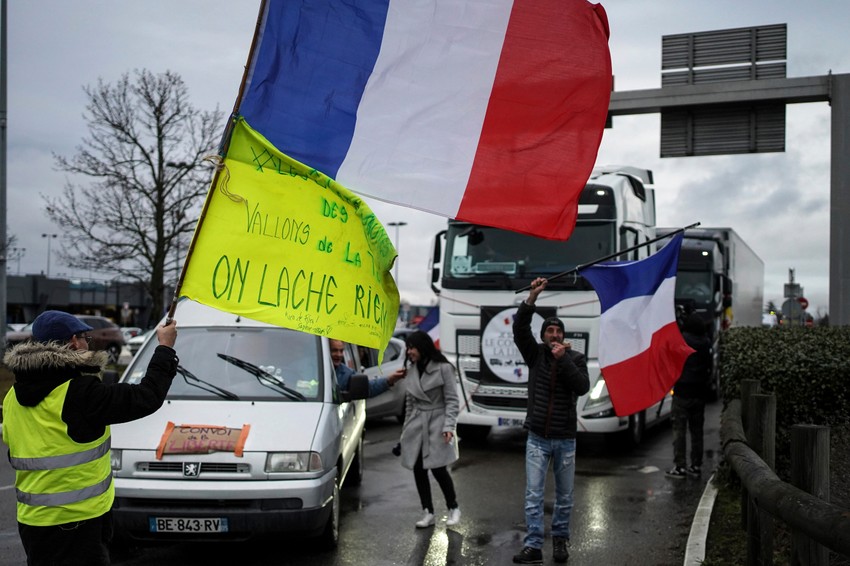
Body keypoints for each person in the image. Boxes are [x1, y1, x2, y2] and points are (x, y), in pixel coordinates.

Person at [2, 310, 178, 566]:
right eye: (85, 338)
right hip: (78, 523)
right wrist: (165, 348)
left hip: (33, 522)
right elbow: (146, 396)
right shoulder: (80, 393)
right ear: (74, 342)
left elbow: (15, 452)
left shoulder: (12, 397)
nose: (88, 343)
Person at [512, 277, 590, 565]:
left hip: (565, 439)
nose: (554, 335)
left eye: (558, 331)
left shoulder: (576, 359)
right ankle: (533, 546)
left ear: (563, 336)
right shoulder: (535, 356)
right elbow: (519, 329)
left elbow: (582, 387)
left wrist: (564, 359)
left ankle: (559, 542)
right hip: (537, 438)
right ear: (543, 335)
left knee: (564, 497)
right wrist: (532, 298)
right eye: (549, 331)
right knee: (533, 495)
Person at [388, 330, 461, 529]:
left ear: (423, 347)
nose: (409, 352)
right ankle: (428, 511)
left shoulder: (444, 368)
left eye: (412, 348)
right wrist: (405, 433)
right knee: (418, 469)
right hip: (417, 425)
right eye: (408, 348)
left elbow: (452, 400)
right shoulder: (411, 370)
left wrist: (449, 426)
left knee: (438, 469)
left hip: (438, 423)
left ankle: (453, 507)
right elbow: (410, 404)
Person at [666, 313, 712, 479]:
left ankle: (680, 466)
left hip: (682, 392)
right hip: (699, 393)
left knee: (679, 431)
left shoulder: (681, 340)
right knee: (697, 431)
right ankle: (696, 465)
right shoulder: (706, 343)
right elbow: (710, 367)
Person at [329, 338, 404, 396]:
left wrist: (389, 380)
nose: (339, 355)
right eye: (334, 350)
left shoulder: (346, 373)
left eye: (341, 351)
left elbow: (367, 387)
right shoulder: (321, 371)